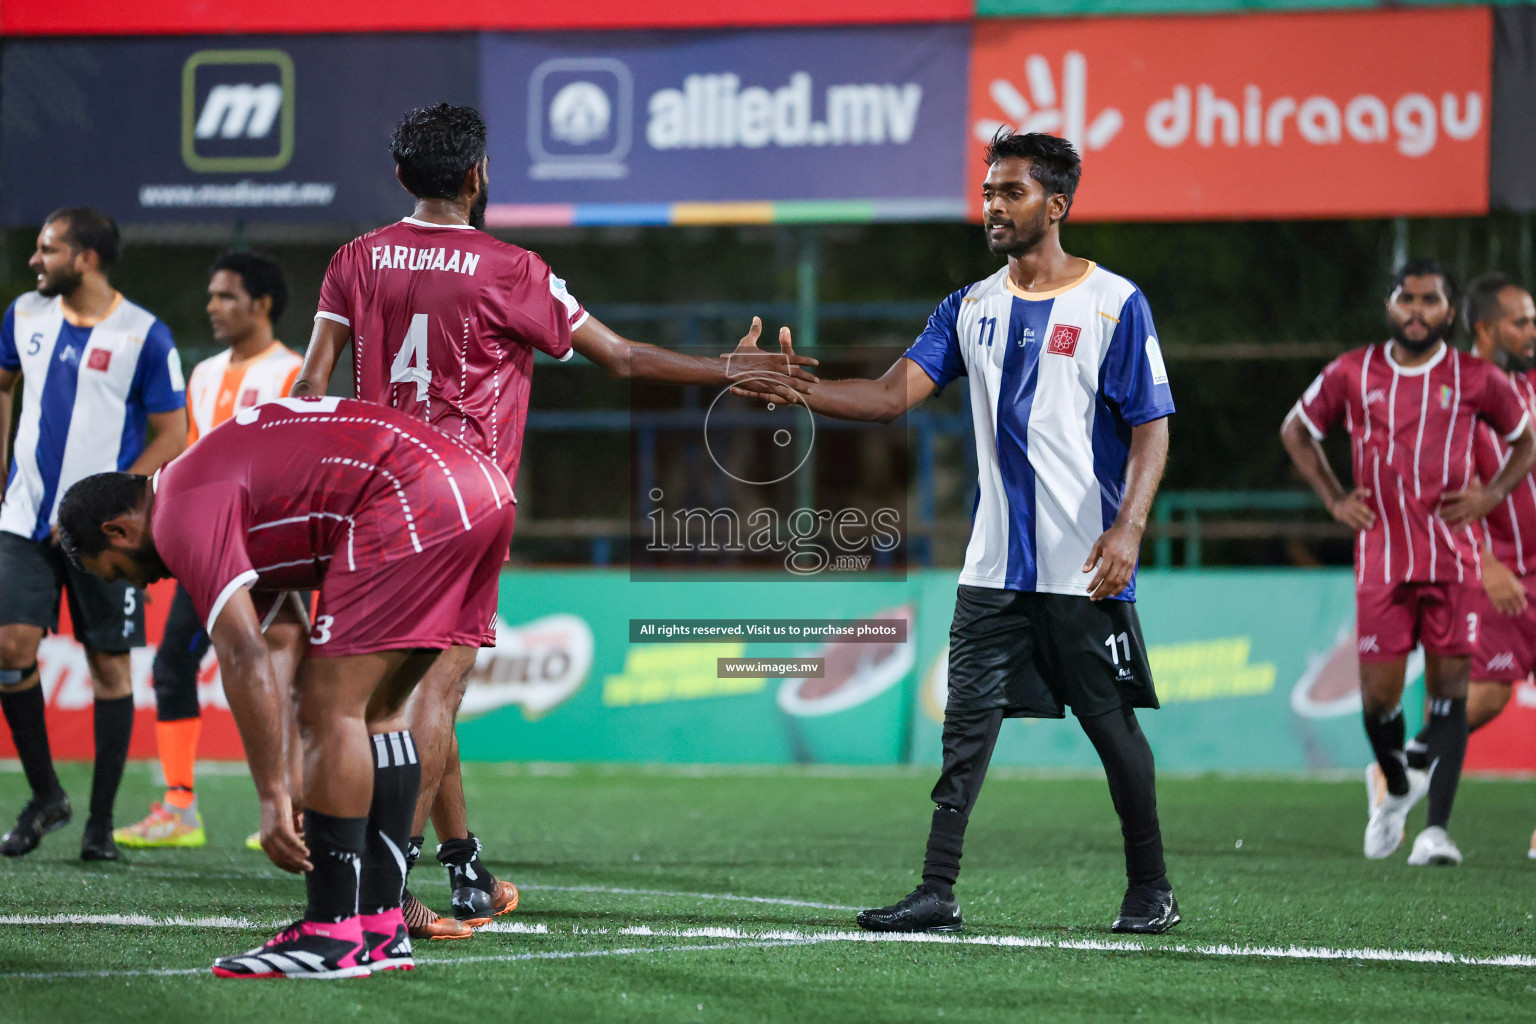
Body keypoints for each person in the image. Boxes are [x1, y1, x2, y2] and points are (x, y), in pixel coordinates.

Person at [293, 103, 815, 939]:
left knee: (402, 690)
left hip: (367, 497)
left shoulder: (353, 260)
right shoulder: (511, 268)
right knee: (430, 696)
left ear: (400, 178)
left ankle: (459, 871)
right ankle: (382, 899)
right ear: (476, 177)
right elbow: (627, 358)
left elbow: (312, 386)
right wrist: (728, 369)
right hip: (459, 503)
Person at [735, 131, 1180, 934]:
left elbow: (1152, 425)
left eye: (1011, 193)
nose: (993, 207)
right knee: (965, 727)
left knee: (1112, 731)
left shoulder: (1115, 302)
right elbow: (884, 398)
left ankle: (1151, 887)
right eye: (987, 193)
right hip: (991, 570)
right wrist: (796, 391)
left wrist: (1129, 529)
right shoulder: (968, 307)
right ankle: (937, 888)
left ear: (1057, 204)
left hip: (1083, 566)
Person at [58, 396, 519, 978]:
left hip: (414, 497)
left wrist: (274, 798)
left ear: (117, 529)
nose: (144, 583)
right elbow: (280, 642)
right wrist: (300, 775)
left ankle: (329, 934)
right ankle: (379, 927)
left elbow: (243, 653)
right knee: (379, 709)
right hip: (481, 491)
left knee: (334, 707)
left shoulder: (179, 512)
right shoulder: (222, 483)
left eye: (120, 572)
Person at [1281, 260, 1536, 866]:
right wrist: (1336, 499)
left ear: (1448, 312)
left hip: (1452, 566)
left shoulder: (1483, 382)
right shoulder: (1357, 370)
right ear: (1391, 304)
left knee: (1452, 698)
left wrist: (1490, 495)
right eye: (1407, 299)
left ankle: (1435, 831)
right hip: (1419, 562)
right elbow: (1297, 429)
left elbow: (1523, 446)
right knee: (1399, 704)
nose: (1417, 311)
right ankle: (1395, 780)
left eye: (1430, 301)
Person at [0, 207, 187, 861]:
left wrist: (115, 499)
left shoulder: (146, 336)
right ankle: (46, 794)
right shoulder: (23, 315)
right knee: (9, 644)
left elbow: (172, 433)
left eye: (47, 249)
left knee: (109, 667)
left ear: (86, 259)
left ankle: (99, 826)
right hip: (23, 518)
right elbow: (3, 386)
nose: (35, 260)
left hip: (103, 536)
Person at [114, 251, 304, 850]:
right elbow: (189, 461)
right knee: (172, 666)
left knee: (290, 679)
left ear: (262, 303)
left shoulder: (294, 371)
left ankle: (292, 809)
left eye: (226, 296)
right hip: (208, 554)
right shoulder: (202, 374)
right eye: (212, 296)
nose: (212, 307)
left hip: (273, 552)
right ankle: (178, 806)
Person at [1401, 273, 1536, 856]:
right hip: (1498, 567)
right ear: (1485, 328)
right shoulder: (1456, 394)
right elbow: (1438, 487)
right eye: (1519, 321)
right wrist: (1485, 561)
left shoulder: (1526, 387)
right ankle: (1403, 765)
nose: (1531, 331)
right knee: (1486, 698)